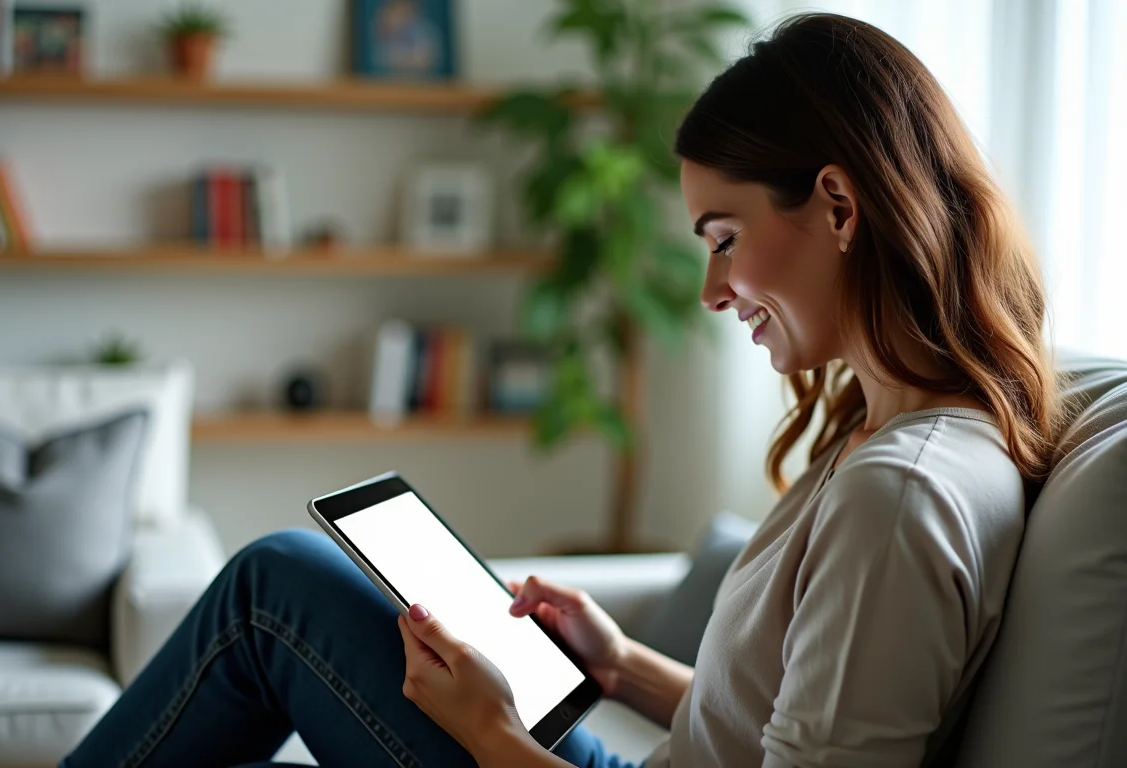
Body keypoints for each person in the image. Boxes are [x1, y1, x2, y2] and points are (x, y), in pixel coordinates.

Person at [61, 12, 1061, 768]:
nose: (711, 291)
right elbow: (775, 727)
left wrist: (495, 734)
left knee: (270, 590)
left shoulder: (897, 495)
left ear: (837, 205)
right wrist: (619, 665)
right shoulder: (902, 437)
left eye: (722, 237)